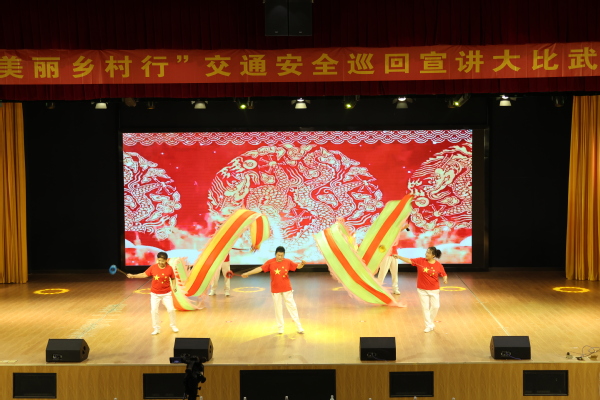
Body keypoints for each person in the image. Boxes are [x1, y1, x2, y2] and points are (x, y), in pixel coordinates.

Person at [242, 246, 305, 334]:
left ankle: (299, 326)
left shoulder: (287, 261)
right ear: (275, 254)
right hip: (275, 289)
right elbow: (260, 269)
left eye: (282, 255)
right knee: (278, 308)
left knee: (292, 307)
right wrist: (248, 273)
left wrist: (302, 264)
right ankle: (280, 328)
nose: (280, 257)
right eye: (278, 255)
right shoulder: (270, 262)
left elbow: (298, 266)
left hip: (287, 288)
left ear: (284, 255)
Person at [393, 245, 447, 333]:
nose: (426, 254)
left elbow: (443, 274)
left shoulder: (438, 265)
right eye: (426, 252)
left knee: (436, 306)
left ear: (433, 255)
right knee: (425, 308)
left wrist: (445, 279)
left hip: (434, 289)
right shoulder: (420, 261)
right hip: (422, 289)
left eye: (428, 253)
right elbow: (409, 260)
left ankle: (430, 322)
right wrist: (399, 256)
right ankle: (428, 325)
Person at [127, 251, 179, 335]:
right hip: (155, 294)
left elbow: (173, 278)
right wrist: (133, 275)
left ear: (166, 260)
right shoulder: (153, 267)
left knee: (171, 309)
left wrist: (174, 286)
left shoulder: (169, 268)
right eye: (159, 260)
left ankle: (173, 326)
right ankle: (156, 328)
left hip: (166, 294)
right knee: (154, 310)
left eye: (162, 261)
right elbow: (144, 274)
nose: (160, 262)